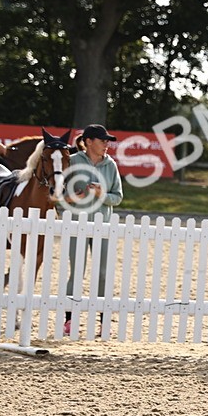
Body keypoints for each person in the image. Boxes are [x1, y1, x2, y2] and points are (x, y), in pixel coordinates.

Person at [63, 125, 124, 337]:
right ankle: (69, 320)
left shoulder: (111, 165)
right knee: (76, 272)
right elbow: (58, 194)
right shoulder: (72, 161)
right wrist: (74, 197)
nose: (107, 144)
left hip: (103, 226)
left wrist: (101, 195)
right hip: (76, 224)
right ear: (89, 142)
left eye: (108, 141)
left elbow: (118, 197)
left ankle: (103, 322)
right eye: (103, 140)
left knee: (103, 274)